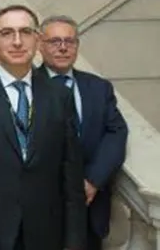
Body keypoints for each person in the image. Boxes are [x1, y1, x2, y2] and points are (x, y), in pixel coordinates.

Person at [0, 5, 87, 250]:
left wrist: (74, 241)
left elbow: (71, 174)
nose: (16, 41)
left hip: (46, 234)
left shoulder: (59, 96)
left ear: (37, 40)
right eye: (7, 33)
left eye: (25, 32)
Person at [38, 15, 128, 250]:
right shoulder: (26, 86)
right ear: (40, 44)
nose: (63, 47)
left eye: (70, 41)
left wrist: (93, 180)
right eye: (55, 41)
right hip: (41, 211)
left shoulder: (98, 87)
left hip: (90, 208)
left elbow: (116, 131)